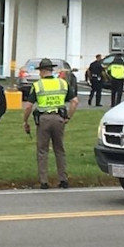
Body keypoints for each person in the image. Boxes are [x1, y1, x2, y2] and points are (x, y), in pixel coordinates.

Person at [22, 58, 78, 189]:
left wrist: (25, 121)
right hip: (59, 119)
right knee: (59, 149)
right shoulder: (62, 83)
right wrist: (68, 117)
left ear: (41, 71)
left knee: (42, 151)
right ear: (51, 70)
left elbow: (29, 106)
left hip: (44, 120)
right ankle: (63, 179)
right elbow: (75, 101)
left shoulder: (37, 85)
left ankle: (44, 181)